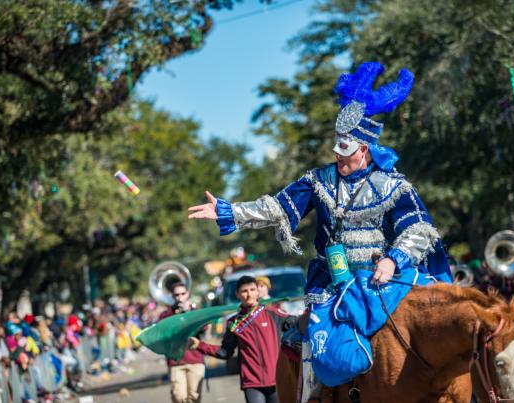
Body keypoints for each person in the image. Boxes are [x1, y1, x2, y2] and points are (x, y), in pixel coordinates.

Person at [188, 62, 451, 395]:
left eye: (345, 149)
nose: (336, 155)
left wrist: (393, 260)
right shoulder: (318, 180)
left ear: (365, 149)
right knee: (309, 340)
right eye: (336, 147)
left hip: (386, 278)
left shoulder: (394, 186)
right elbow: (276, 208)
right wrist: (228, 210)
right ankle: (310, 394)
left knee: (442, 326)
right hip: (333, 282)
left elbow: (419, 230)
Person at [188, 276, 294, 403]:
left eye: (252, 289)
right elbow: (225, 352)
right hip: (252, 383)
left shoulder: (273, 314)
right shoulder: (234, 323)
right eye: (244, 291)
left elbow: (297, 325)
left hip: (278, 379)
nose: (249, 294)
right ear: (237, 294)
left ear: (257, 292)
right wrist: (200, 345)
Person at [159, 282, 205, 403]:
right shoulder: (167, 314)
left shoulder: (196, 310)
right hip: (175, 361)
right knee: (178, 397)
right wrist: (174, 313)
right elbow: (162, 330)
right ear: (172, 297)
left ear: (188, 294)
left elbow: (204, 328)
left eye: (183, 294)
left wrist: (190, 312)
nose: (180, 297)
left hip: (195, 359)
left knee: (194, 396)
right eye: (176, 295)